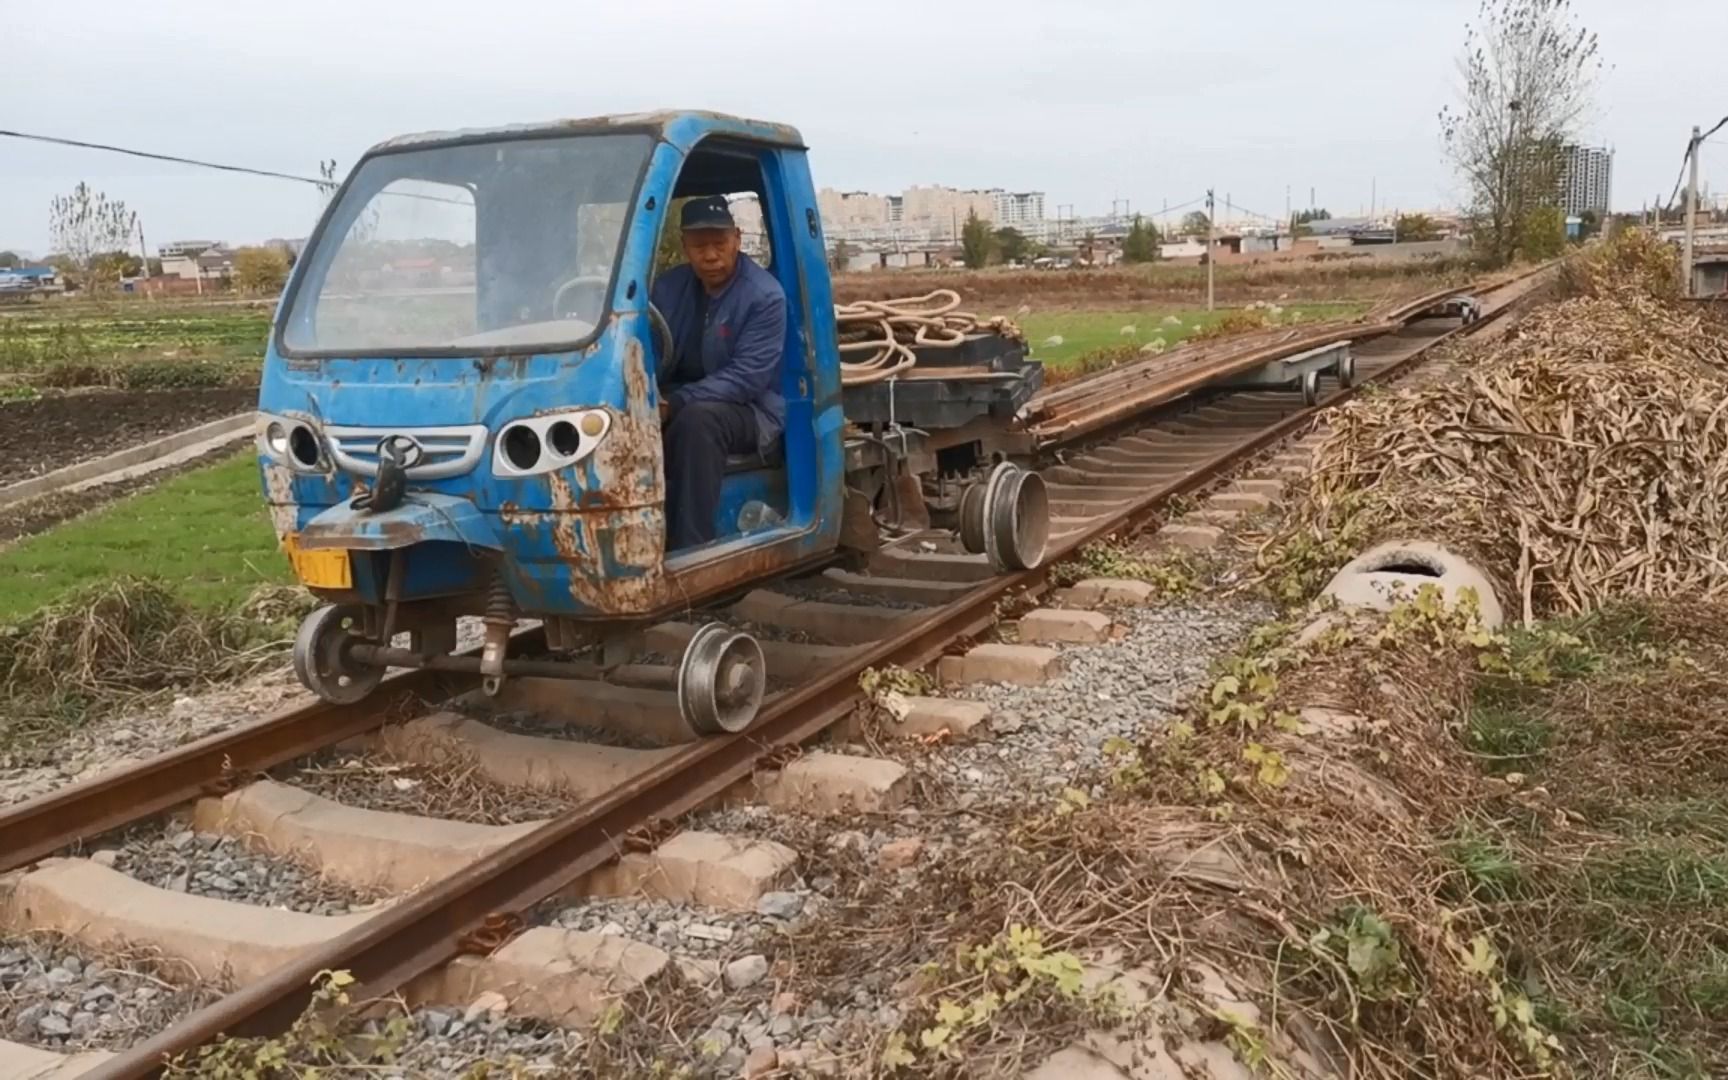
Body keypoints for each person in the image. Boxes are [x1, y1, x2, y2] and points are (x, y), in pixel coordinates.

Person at [650, 195, 787, 550]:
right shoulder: (666, 290)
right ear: (685, 247)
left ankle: (691, 547)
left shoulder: (763, 296)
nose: (710, 255)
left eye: (719, 244)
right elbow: (644, 349)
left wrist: (675, 402)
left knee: (698, 421)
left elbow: (746, 378)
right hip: (680, 397)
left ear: (737, 239)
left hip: (751, 410)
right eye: (699, 246)